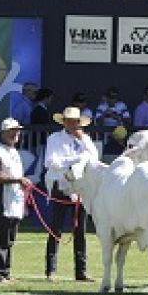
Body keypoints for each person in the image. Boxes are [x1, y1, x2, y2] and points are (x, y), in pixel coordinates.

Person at [44, 106, 100, 282]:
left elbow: (94, 159)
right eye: (69, 121)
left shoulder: (86, 139)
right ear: (64, 122)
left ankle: (81, 271)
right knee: (56, 228)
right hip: (61, 185)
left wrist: (82, 140)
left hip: (80, 188)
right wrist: (75, 160)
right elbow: (51, 161)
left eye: (75, 121)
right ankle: (51, 270)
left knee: (80, 230)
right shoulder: (55, 138)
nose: (73, 124)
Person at [0, 118, 30, 284]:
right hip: (2, 199)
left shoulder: (14, 152)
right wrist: (18, 180)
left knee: (10, 238)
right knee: (1, 237)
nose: (16, 134)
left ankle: (5, 271)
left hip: (15, 200)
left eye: (17, 131)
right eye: (12, 131)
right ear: (4, 133)